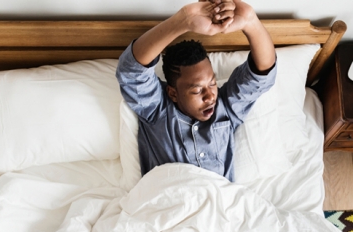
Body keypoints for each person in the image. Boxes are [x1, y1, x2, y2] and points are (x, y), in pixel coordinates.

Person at [116, 0, 276, 181]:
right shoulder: (157, 111)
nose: (210, 97)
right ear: (173, 93)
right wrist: (183, 21)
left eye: (212, 83)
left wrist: (250, 21)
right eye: (197, 91)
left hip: (221, 204)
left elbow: (261, 76)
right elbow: (130, 71)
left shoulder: (226, 109)